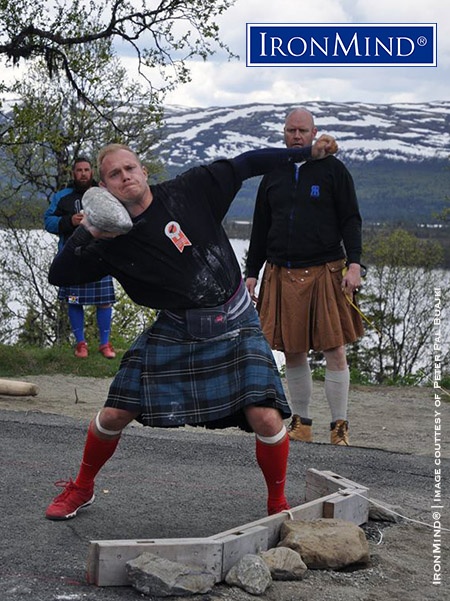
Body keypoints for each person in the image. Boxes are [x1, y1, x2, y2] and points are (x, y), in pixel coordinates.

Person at [44, 137, 338, 521]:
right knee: (114, 413)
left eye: (130, 168)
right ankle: (82, 487)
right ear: (104, 188)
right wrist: (89, 233)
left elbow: (247, 162)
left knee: (266, 417)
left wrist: (305, 153)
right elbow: (58, 274)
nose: (125, 177)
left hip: (234, 320)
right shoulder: (110, 240)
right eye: (114, 174)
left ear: (144, 172)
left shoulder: (191, 189)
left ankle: (277, 504)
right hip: (178, 327)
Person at [245, 108, 364, 446]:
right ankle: (302, 423)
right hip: (281, 269)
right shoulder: (274, 174)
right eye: (290, 130)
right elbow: (261, 228)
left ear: (314, 133)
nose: (296, 136)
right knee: (292, 350)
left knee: (334, 348)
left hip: (326, 268)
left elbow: (351, 220)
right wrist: (251, 273)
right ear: (284, 134)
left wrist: (353, 265)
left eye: (302, 130)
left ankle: (339, 427)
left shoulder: (333, 171)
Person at [44, 157, 116, 359]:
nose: (83, 174)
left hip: (100, 255)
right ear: (73, 173)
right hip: (72, 257)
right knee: (74, 302)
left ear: (92, 172)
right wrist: (69, 221)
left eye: (86, 170)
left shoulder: (103, 194)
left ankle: (105, 345)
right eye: (79, 170)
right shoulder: (62, 197)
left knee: (104, 302)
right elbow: (48, 222)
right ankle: (80, 344)